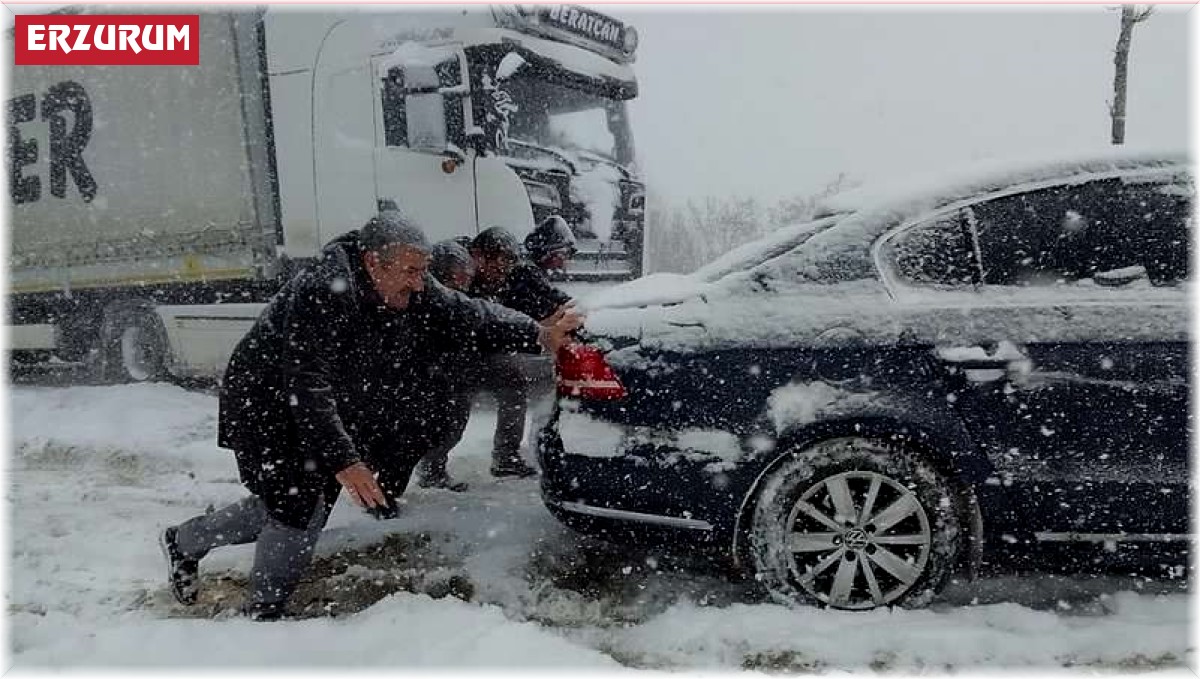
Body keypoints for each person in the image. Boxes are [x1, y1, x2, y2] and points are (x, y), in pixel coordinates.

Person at [157, 212, 582, 621]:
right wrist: (345, 461)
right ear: (373, 261)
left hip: (318, 402)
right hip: (267, 402)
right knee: (296, 504)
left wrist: (539, 334)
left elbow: (465, 313)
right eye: (411, 271)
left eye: (423, 272)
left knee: (298, 503)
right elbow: (306, 383)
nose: (420, 285)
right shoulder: (322, 290)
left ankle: (184, 541)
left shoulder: (406, 282)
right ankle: (265, 615)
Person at [417, 221, 576, 483]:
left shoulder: (499, 271)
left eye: (505, 272)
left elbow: (497, 316)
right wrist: (531, 334)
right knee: (454, 410)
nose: (501, 277)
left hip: (471, 348)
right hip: (444, 354)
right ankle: (431, 469)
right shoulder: (452, 263)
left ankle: (506, 457)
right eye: (497, 269)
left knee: (511, 381)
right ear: (479, 256)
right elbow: (461, 316)